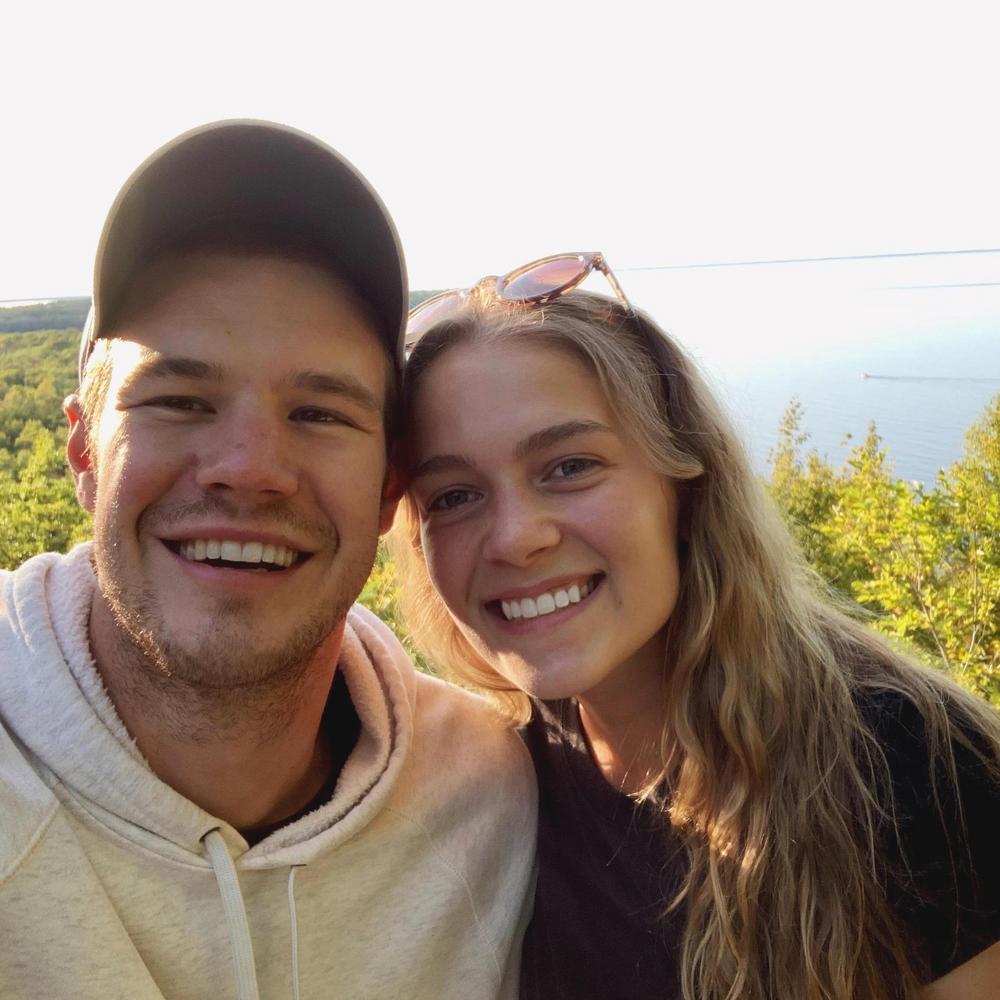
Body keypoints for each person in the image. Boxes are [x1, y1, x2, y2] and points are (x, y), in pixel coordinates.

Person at [0, 121, 535, 1000]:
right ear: (85, 452)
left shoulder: (495, 795)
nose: (248, 468)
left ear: (388, 486)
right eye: (179, 399)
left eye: (320, 414)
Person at [391, 253, 1000, 1000]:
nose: (515, 538)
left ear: (686, 483)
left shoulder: (908, 768)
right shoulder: (500, 776)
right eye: (453, 496)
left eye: (570, 466)